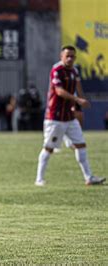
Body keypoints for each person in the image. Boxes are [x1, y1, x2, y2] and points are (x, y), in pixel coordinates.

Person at [35, 45, 105, 186]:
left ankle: (89, 177)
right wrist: (78, 100)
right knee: (49, 148)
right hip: (55, 117)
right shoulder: (57, 70)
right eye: (67, 56)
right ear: (61, 57)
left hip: (69, 116)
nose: (70, 58)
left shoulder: (74, 71)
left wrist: (80, 103)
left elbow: (78, 87)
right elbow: (59, 91)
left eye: (72, 56)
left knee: (81, 145)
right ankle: (39, 179)